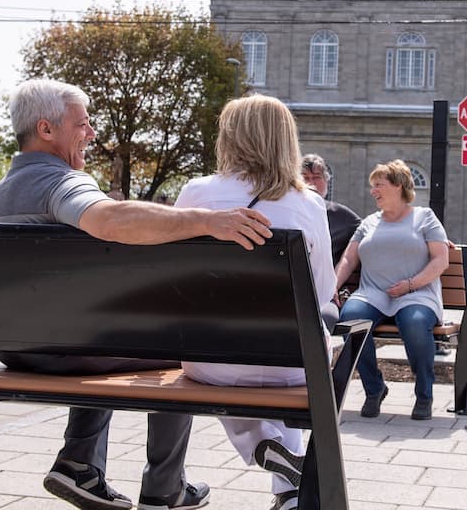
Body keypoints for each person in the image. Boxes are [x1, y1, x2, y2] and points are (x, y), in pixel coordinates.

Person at [0, 78, 273, 510]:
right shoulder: (58, 182)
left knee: (110, 329)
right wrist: (208, 222)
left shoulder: (1, 193)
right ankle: (163, 485)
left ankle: (81, 463)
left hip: (11, 346)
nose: (92, 132)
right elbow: (111, 221)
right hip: (57, 348)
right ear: (46, 130)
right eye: (82, 124)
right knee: (185, 347)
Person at [175, 95, 336, 510]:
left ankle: (262, 443)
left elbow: (173, 281)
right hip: (294, 362)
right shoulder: (310, 205)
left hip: (214, 361)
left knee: (225, 355)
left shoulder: (198, 193)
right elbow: (320, 292)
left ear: (229, 138)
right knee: (299, 347)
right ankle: (288, 491)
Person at [334, 159, 449, 421]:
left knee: (416, 324)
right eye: (372, 186)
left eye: (379, 185)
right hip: (372, 293)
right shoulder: (369, 222)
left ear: (398, 186)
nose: (373, 191)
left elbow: (440, 260)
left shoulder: (424, 217)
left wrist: (411, 284)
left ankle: (424, 395)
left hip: (416, 294)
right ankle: (374, 389)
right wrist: (333, 286)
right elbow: (349, 260)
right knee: (351, 320)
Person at [300, 153, 361, 267]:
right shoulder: (290, 211)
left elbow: (367, 232)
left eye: (317, 177)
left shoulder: (343, 216)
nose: (311, 183)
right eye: (305, 178)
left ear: (326, 180)